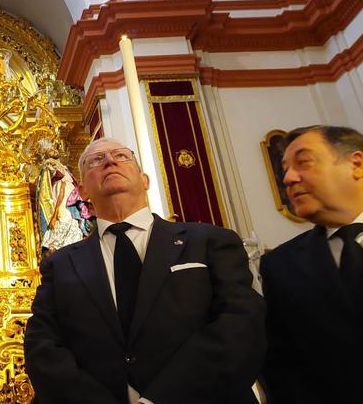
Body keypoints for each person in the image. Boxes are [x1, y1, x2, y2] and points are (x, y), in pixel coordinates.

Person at [24, 137, 265, 404]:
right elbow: (43, 347)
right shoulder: (60, 264)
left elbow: (240, 324)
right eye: (96, 160)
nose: (110, 161)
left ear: (145, 179)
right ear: (81, 191)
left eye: (121, 156)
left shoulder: (208, 241)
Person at [260, 125, 363, 403]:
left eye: (303, 162)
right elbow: (282, 366)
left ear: (357, 164)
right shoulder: (280, 266)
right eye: (285, 169)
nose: (289, 178)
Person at [36, 139, 93, 257]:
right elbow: (53, 182)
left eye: (54, 148)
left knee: (72, 217)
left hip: (70, 193)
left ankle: (73, 239)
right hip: (61, 192)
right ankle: (59, 245)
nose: (54, 150)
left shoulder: (63, 167)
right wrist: (55, 214)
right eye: (51, 149)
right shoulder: (49, 167)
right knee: (64, 216)